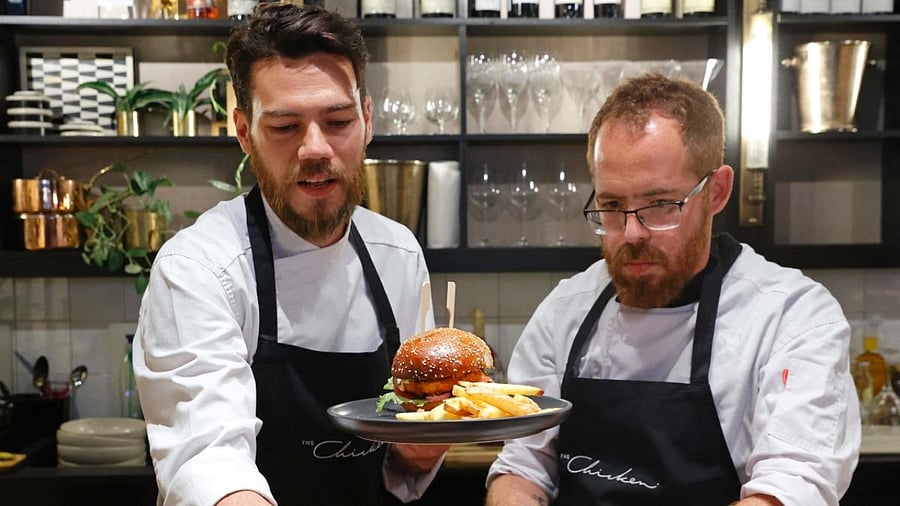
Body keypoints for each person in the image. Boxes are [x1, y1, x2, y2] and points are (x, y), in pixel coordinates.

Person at [485, 74, 860, 506]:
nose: (630, 233)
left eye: (661, 204)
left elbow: (791, 487)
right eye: (611, 206)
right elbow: (523, 467)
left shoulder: (791, 317)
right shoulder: (565, 311)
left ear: (716, 191)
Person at [133, 4, 448, 505]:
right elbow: (207, 458)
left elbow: (404, 454)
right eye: (285, 127)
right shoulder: (200, 268)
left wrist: (419, 448)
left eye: (338, 120)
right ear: (243, 132)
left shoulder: (398, 255)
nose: (315, 148)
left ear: (367, 120)